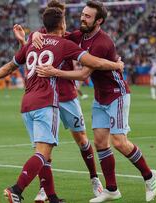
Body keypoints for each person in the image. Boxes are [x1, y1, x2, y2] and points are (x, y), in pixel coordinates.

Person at [0, 7, 124, 203]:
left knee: (49, 150)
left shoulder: (33, 43)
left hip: (28, 103)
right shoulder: (63, 43)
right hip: (46, 101)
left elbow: (10, 66)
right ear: (62, 23)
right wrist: (116, 64)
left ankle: (53, 196)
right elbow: (94, 63)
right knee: (43, 153)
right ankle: (16, 189)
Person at [35, 1, 156, 202]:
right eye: (83, 14)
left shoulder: (103, 42)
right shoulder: (79, 35)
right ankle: (111, 189)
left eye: (88, 16)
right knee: (100, 142)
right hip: (100, 96)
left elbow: (84, 74)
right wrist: (36, 35)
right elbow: (54, 34)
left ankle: (149, 175)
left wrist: (55, 72)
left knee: (119, 142)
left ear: (99, 21)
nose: (83, 18)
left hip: (116, 94)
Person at [13, 1, 102, 201]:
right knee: (45, 149)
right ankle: (45, 189)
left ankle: (94, 178)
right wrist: (26, 40)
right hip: (45, 97)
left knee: (81, 139)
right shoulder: (38, 35)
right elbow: (29, 58)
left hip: (67, 95)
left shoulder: (69, 37)